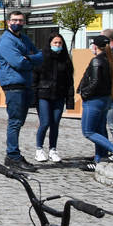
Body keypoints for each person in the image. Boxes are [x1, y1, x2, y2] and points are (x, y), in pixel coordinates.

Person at [0, 11, 43, 170]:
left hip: (24, 83)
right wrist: (29, 60)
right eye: (15, 20)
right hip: (13, 84)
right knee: (15, 122)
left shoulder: (24, 38)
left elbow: (39, 56)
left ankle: (13, 155)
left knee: (19, 121)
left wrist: (28, 58)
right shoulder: (6, 41)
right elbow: (18, 63)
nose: (18, 22)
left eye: (21, 20)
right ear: (9, 22)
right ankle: (13, 156)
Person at [78, 35, 113, 171]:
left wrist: (84, 93)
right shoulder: (111, 59)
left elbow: (95, 82)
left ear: (95, 46)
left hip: (94, 100)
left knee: (88, 131)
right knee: (100, 130)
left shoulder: (97, 60)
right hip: (106, 99)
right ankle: (99, 160)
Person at [32, 33, 73, 163]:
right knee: (45, 122)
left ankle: (53, 150)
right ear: (50, 43)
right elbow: (34, 79)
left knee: (55, 123)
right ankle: (39, 149)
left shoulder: (65, 59)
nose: (57, 45)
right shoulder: (42, 58)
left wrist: (70, 100)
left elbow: (69, 82)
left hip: (59, 95)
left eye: (60, 43)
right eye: (55, 43)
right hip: (43, 95)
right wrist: (33, 98)